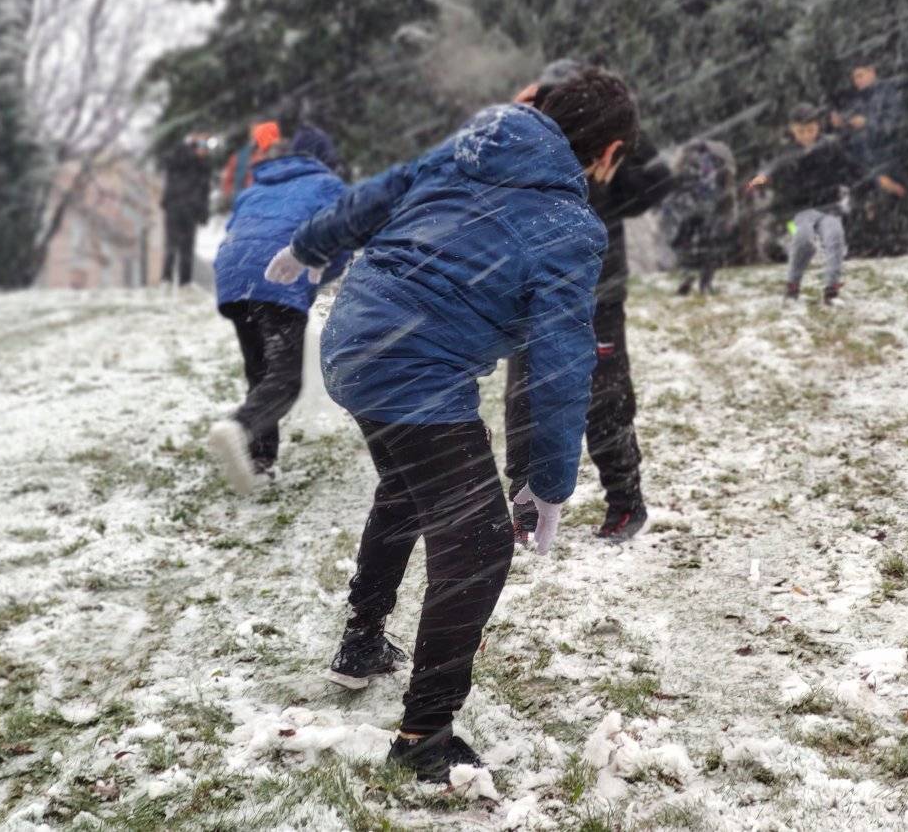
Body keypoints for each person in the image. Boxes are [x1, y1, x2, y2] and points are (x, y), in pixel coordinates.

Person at [264, 68, 639, 782]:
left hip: (356, 338)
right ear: (609, 151)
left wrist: (313, 244)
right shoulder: (568, 225)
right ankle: (425, 736)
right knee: (478, 544)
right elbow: (561, 360)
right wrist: (550, 483)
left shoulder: (472, 146)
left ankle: (363, 642)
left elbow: (379, 192)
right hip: (413, 367)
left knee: (407, 489)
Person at [505, 59, 674, 545]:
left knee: (604, 399)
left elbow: (658, 180)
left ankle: (625, 501)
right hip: (531, 293)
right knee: (525, 399)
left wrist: (613, 173)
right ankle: (525, 506)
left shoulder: (608, 144)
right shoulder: (526, 139)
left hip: (597, 293)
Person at [207, 123, 348, 495]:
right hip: (277, 277)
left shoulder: (259, 185)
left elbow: (238, 230)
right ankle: (240, 427)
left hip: (234, 278)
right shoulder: (328, 186)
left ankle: (258, 462)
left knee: (261, 371)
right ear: (327, 160)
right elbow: (341, 242)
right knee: (285, 379)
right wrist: (317, 280)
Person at [749, 104, 863, 304]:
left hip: (829, 207)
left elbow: (852, 170)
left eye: (810, 130)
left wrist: (860, 187)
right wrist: (758, 181)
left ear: (818, 127)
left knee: (835, 239)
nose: (806, 135)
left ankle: (831, 291)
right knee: (803, 240)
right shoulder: (786, 153)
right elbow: (770, 171)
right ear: (793, 130)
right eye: (801, 131)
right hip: (799, 210)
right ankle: (793, 288)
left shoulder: (831, 146)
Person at [831, 61, 908, 253]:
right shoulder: (856, 100)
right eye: (854, 77)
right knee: (856, 209)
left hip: (884, 161)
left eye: (860, 75)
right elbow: (850, 135)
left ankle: (890, 248)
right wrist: (842, 123)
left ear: (872, 72)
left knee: (885, 209)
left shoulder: (888, 94)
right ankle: (860, 249)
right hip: (861, 165)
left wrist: (868, 123)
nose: (857, 81)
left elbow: (893, 126)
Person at [661, 139, 737, 296]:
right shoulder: (720, 161)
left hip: (688, 210)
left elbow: (674, 184)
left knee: (685, 244)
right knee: (710, 247)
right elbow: (727, 188)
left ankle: (687, 276)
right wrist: (726, 212)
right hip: (710, 210)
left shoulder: (685, 160)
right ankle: (705, 283)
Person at [159, 134, 212, 287]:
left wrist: (203, 212)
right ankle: (171, 279)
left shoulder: (201, 166)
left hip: (187, 207)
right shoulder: (182, 158)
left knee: (182, 245)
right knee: (175, 244)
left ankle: (180, 280)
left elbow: (204, 191)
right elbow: (204, 190)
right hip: (179, 205)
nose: (203, 150)